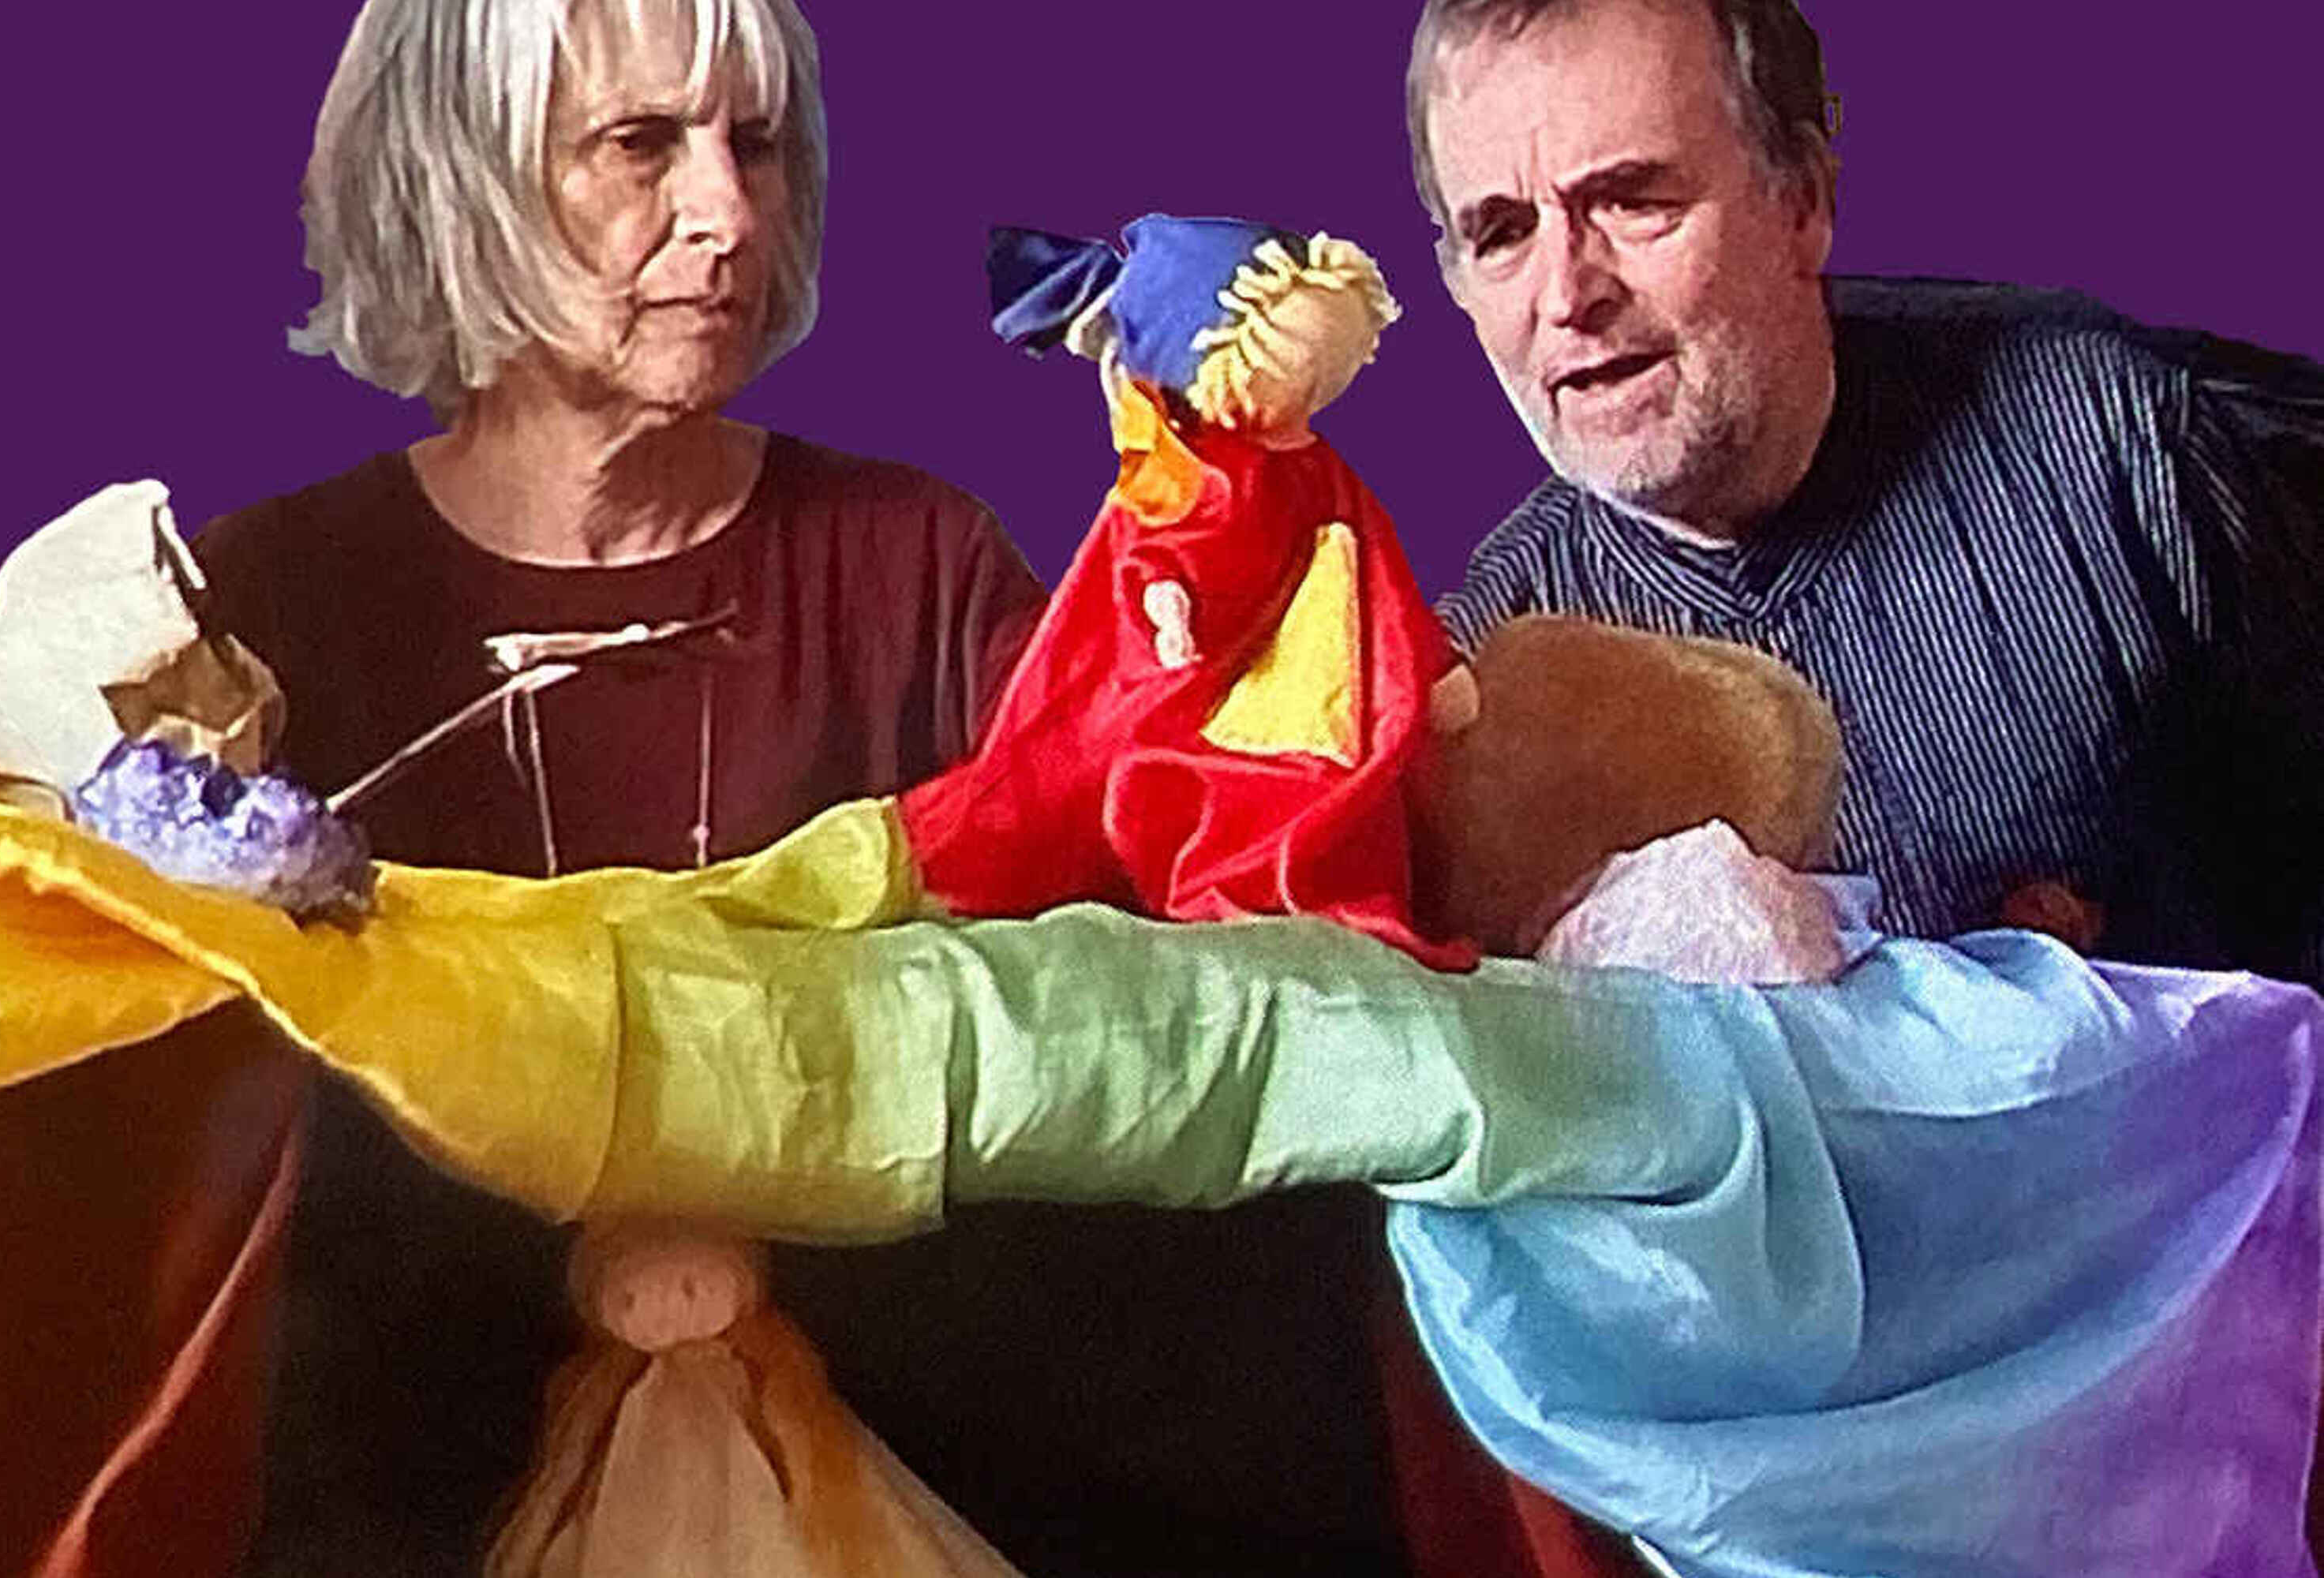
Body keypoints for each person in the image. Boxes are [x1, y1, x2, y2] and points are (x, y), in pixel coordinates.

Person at [167, 0, 1434, 1574]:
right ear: (456, 177)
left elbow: (1154, 943)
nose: (729, 212)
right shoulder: (264, 602)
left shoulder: (920, 558)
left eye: (755, 146)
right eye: (641, 144)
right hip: (397, 1482)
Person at [1404, 0, 2324, 1567]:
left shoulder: (2115, 447)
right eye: (1500, 231)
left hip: (2249, 1409)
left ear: (1805, 200)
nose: (1567, 293)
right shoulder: (1487, 684)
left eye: (1634, 199)